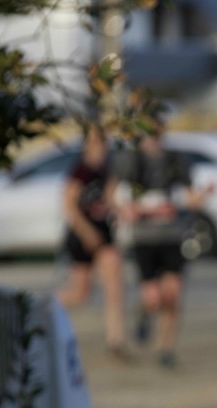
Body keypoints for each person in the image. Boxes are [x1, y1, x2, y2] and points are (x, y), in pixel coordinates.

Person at [114, 120, 213, 369]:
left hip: (172, 235)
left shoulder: (175, 161)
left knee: (173, 294)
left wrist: (203, 196)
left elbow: (190, 198)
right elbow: (116, 198)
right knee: (154, 297)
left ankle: (166, 349)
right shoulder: (131, 162)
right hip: (144, 238)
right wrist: (133, 210)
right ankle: (144, 313)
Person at [55, 123, 128, 359]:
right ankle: (45, 308)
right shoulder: (80, 172)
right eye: (95, 142)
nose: (99, 147)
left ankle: (115, 341)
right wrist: (87, 233)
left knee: (114, 286)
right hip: (82, 236)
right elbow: (69, 207)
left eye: (102, 142)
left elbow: (110, 200)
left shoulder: (108, 170)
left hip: (104, 235)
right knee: (80, 294)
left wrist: (123, 212)